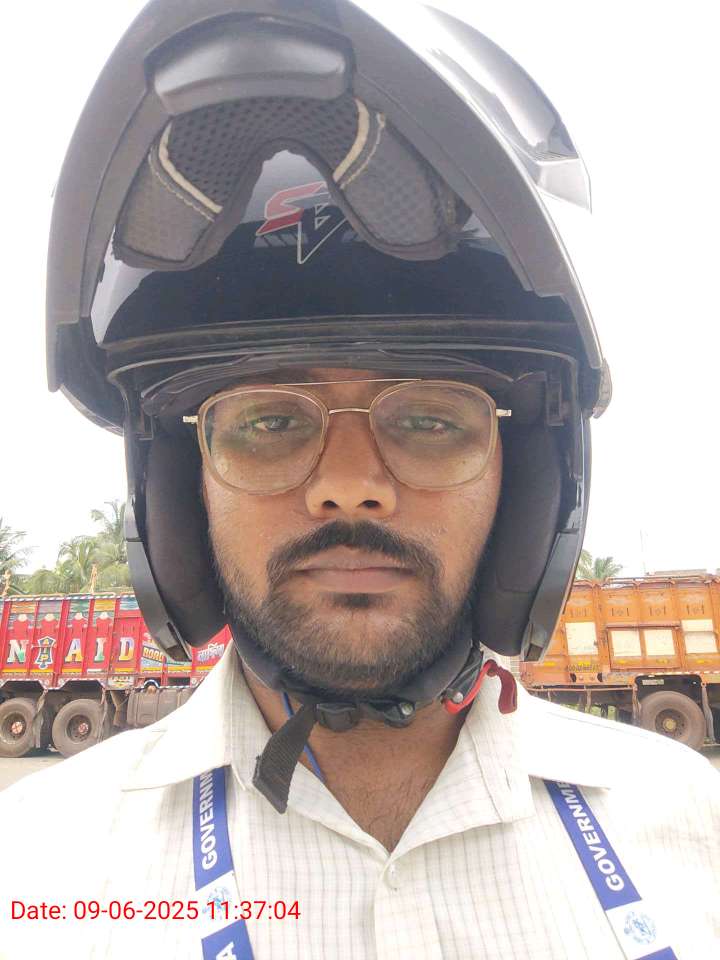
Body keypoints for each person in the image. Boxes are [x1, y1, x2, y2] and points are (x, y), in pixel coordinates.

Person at [1, 2, 718, 958]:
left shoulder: (691, 830)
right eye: (267, 422)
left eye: (429, 420)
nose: (348, 488)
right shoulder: (37, 870)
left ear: (528, 482)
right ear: (179, 483)